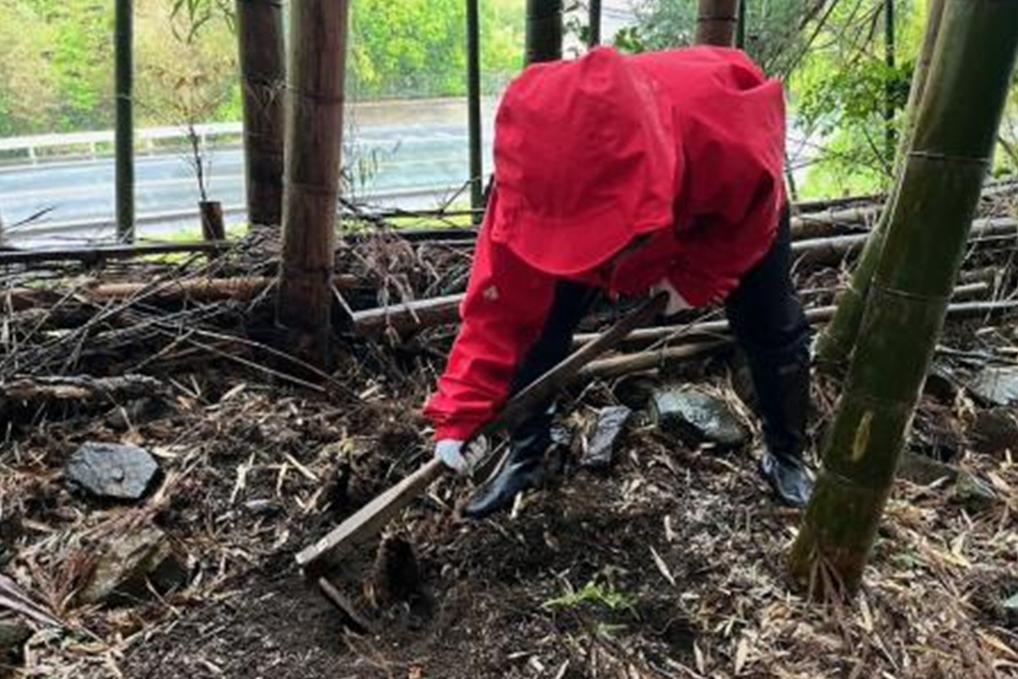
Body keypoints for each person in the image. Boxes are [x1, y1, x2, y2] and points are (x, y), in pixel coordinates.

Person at [423, 45, 813, 518]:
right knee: (538, 330)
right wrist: (461, 414)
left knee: (771, 323)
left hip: (709, 214)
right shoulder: (529, 187)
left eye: (600, 236)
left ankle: (786, 453)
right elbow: (498, 310)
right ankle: (531, 452)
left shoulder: (729, 136)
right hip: (625, 213)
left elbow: (750, 221)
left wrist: (695, 277)